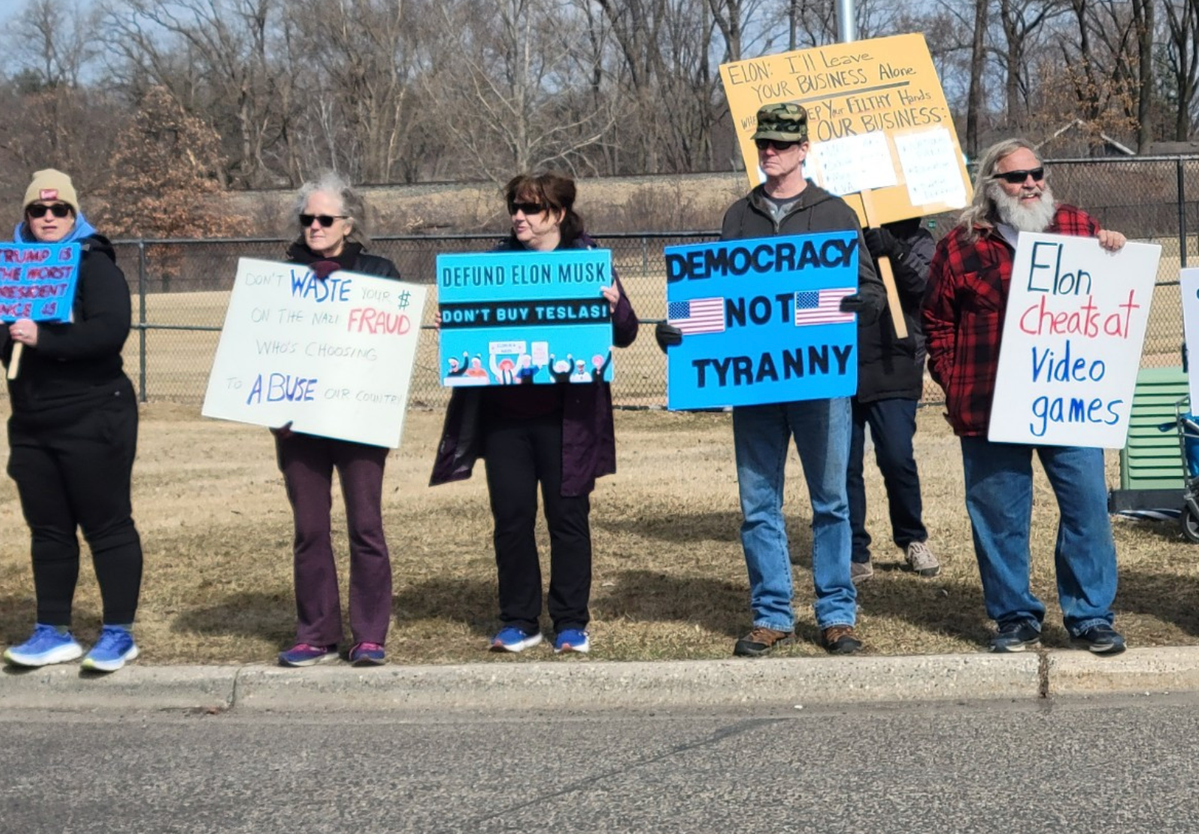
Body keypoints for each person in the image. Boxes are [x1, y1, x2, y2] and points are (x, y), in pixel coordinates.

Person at [655, 102, 886, 657]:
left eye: (781, 143)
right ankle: (772, 613)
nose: (770, 151)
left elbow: (873, 294)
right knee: (759, 504)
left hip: (819, 382)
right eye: (763, 143)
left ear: (804, 149)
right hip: (755, 385)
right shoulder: (739, 217)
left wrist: (856, 304)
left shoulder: (834, 214)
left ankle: (836, 613)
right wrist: (680, 330)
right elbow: (725, 304)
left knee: (830, 501)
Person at [922, 139, 1128, 655]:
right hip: (990, 406)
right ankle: (1014, 615)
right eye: (1017, 177)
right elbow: (937, 322)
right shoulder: (959, 245)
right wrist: (954, 379)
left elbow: (1110, 295)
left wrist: (1116, 251)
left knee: (1087, 510)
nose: (1031, 183)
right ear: (993, 186)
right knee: (999, 517)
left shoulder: (1079, 227)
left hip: (1069, 399)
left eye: (1037, 173)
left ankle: (1090, 616)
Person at [431, 173, 639, 655]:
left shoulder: (589, 263)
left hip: (570, 420)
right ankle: (520, 620)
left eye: (531, 209)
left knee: (568, 517)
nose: (518, 217)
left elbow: (625, 334)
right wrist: (454, 322)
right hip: (505, 419)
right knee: (511, 517)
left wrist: (615, 308)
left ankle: (570, 621)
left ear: (558, 214)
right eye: (515, 207)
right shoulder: (494, 266)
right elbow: (471, 340)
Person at [0, 169, 144, 673]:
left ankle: (118, 633)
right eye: (38, 211)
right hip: (32, 418)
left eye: (59, 210)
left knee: (106, 523)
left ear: (74, 214)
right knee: (47, 529)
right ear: (25, 215)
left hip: (94, 410)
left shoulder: (92, 263)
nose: (48, 218)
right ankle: (52, 630)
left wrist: (45, 340)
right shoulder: (15, 265)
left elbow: (109, 332)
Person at [271, 172, 401, 668]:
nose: (315, 227)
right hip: (297, 421)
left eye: (326, 219)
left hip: (359, 418)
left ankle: (369, 635)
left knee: (365, 525)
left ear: (349, 224)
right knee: (309, 528)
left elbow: (391, 343)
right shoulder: (281, 276)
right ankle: (315, 634)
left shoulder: (379, 272)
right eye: (307, 219)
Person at [848, 216, 939, 583]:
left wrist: (894, 250)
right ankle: (854, 548)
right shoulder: (834, 227)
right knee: (844, 463)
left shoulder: (918, 237)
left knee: (897, 456)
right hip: (842, 360)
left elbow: (926, 288)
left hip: (896, 358)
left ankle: (912, 537)